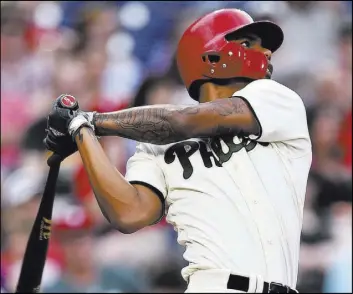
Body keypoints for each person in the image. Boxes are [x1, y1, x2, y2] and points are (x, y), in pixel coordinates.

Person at [44, 9, 312, 293]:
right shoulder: (154, 143)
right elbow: (130, 213)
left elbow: (184, 121)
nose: (266, 53)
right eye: (248, 44)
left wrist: (92, 121)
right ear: (211, 58)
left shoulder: (278, 100)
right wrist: (81, 133)